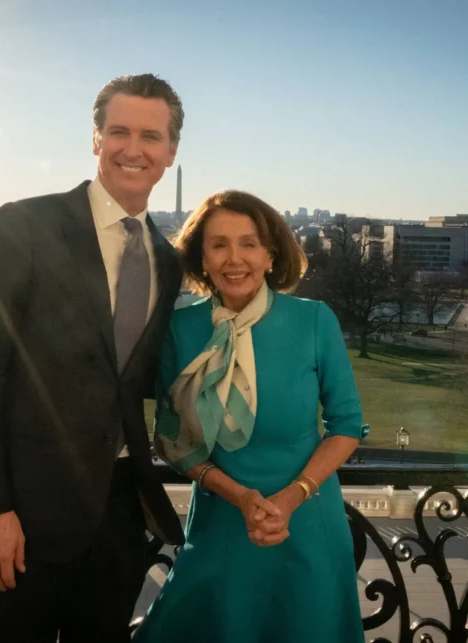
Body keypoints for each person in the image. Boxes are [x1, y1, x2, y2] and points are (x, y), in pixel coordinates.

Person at [0, 73, 187, 642]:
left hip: (119, 515)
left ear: (171, 150)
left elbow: (134, 377)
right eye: (119, 131)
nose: (134, 149)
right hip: (25, 515)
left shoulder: (166, 259)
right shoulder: (24, 225)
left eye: (151, 136)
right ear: (96, 139)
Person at [134, 190, 368, 643]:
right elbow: (174, 442)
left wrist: (290, 500)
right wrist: (240, 497)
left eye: (249, 243)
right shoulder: (180, 330)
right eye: (219, 245)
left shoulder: (314, 321)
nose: (234, 258)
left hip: (305, 526)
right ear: (202, 259)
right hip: (220, 525)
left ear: (270, 255)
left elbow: (346, 425)